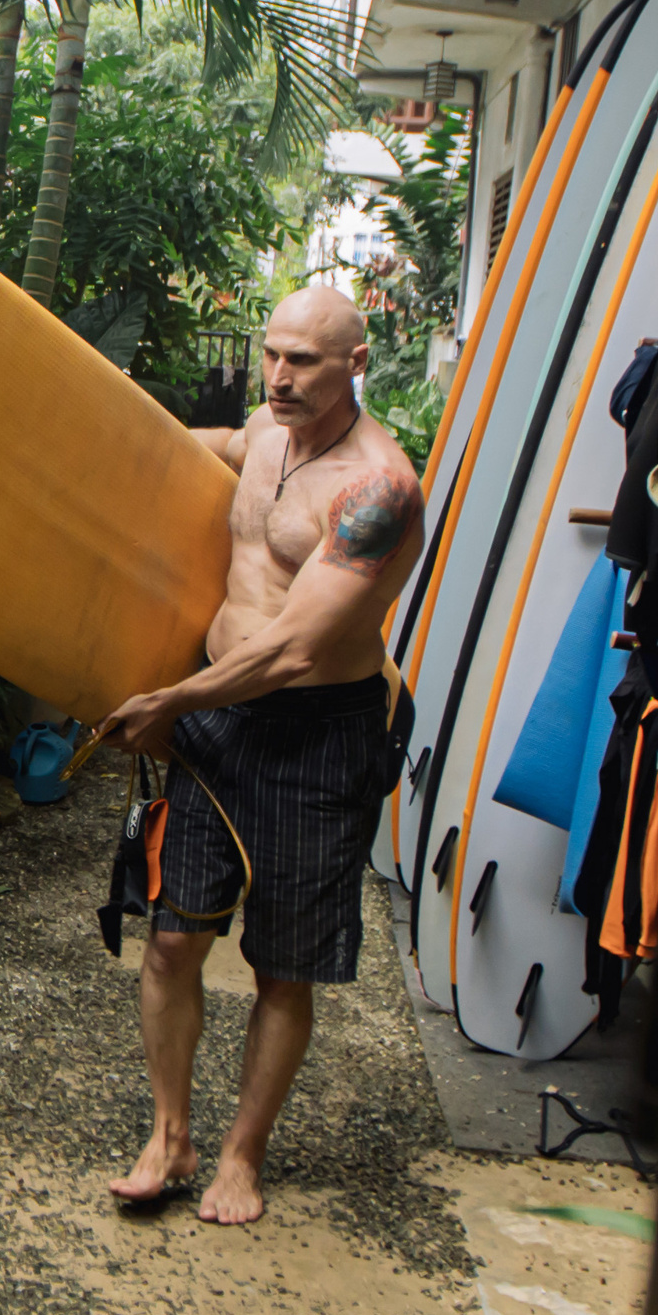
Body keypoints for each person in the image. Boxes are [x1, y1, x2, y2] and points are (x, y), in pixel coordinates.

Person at [96, 285, 424, 1224]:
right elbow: (220, 450)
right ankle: (171, 1135)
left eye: (304, 361)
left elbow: (296, 650)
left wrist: (169, 699)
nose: (278, 375)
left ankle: (242, 1152)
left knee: (283, 966)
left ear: (355, 365)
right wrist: (110, 427)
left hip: (316, 732)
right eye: (272, 353)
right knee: (170, 940)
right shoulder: (266, 427)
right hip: (220, 722)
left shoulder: (378, 492)